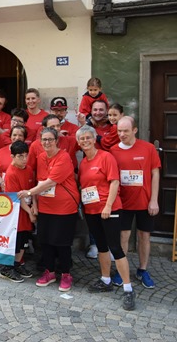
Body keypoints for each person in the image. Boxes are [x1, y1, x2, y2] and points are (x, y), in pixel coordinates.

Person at [77, 125, 135, 311]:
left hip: (109, 210)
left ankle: (128, 289)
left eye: (88, 137)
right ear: (78, 143)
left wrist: (108, 206)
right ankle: (106, 280)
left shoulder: (106, 157)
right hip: (92, 211)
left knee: (115, 248)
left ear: (94, 139)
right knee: (101, 246)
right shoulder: (84, 162)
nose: (85, 141)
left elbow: (114, 181)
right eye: (81, 139)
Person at [17, 127, 79, 292]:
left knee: (62, 243)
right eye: (44, 139)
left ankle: (66, 274)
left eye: (50, 139)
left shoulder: (64, 157)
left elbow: (50, 182)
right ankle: (49, 272)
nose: (47, 143)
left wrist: (29, 193)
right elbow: (40, 182)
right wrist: (35, 205)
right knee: (46, 242)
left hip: (64, 208)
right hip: (46, 207)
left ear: (56, 140)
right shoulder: (41, 157)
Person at [110, 116, 161, 289]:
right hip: (122, 203)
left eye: (125, 131)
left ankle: (142, 269)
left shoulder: (148, 148)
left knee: (144, 235)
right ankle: (120, 270)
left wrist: (154, 200)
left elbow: (155, 173)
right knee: (123, 236)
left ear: (134, 130)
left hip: (144, 201)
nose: (122, 134)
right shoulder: (113, 150)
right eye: (119, 131)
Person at [0, 141, 36, 282]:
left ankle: (17, 264)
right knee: (16, 241)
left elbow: (32, 190)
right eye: (20, 156)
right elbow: (17, 198)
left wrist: (34, 207)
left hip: (27, 210)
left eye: (26, 156)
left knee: (24, 241)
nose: (24, 159)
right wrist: (30, 212)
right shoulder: (11, 173)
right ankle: (7, 268)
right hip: (17, 213)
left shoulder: (28, 169)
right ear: (12, 156)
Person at [0, 125, 27, 192]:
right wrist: (2, 184)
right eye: (14, 135)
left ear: (24, 138)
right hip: (2, 191)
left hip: (22, 191)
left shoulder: (29, 152)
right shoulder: (1, 151)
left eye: (20, 135)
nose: (17, 137)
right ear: (10, 136)